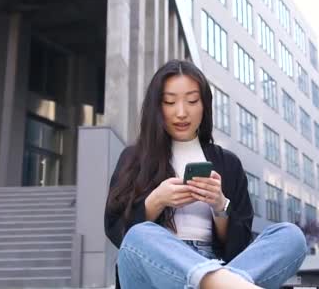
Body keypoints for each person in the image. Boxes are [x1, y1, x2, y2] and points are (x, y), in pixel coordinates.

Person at [104, 60, 307, 289]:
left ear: (204, 105)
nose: (181, 113)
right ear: (157, 107)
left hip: (221, 263)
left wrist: (220, 206)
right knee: (139, 235)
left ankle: (217, 283)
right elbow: (117, 232)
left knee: (291, 237)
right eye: (170, 102)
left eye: (192, 101)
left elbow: (239, 245)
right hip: (158, 269)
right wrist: (156, 201)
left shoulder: (228, 163)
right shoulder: (135, 157)